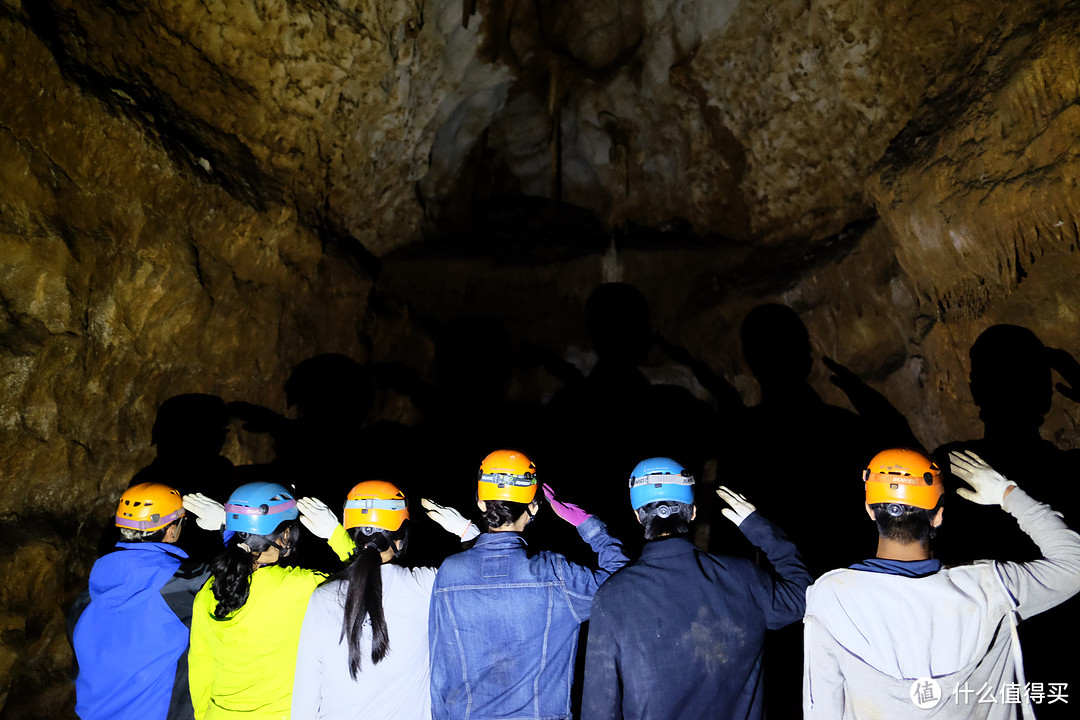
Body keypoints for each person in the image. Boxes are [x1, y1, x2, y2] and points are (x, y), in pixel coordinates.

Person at [803, 448, 1080, 719]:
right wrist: (1007, 494)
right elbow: (1074, 565)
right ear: (938, 516)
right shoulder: (992, 587)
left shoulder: (830, 598)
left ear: (870, 511)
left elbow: (821, 710)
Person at [580, 457, 811, 720]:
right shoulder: (744, 577)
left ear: (638, 516)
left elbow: (599, 709)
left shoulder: (611, 597)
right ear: (692, 512)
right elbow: (802, 596)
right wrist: (757, 526)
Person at [429, 449, 629, 720]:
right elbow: (624, 583)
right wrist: (588, 525)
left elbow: (440, 674)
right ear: (533, 506)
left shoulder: (449, 574)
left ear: (480, 502)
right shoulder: (557, 576)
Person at [292, 481, 479, 719]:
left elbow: (305, 699)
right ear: (400, 539)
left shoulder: (322, 596)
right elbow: (481, 577)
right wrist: (469, 533)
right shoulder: (426, 586)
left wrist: (334, 535)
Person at [188, 481, 355, 720]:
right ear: (285, 534)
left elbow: (201, 671)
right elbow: (368, 582)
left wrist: (228, 527)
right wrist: (336, 535)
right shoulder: (303, 586)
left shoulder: (208, 592)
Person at [70, 483, 222, 720]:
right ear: (171, 531)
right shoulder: (181, 585)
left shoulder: (84, 599)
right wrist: (228, 528)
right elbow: (246, 581)